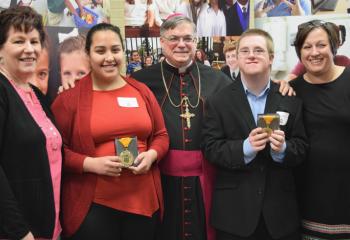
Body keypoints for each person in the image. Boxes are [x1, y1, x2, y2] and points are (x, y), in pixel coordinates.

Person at [51, 22, 169, 240]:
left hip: (142, 201)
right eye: (100, 51)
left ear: (123, 52)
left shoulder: (140, 91)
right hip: (94, 205)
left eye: (115, 50)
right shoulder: (68, 100)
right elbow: (55, 151)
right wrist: (89, 163)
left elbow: (161, 135)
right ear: (88, 54)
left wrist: (152, 155)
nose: (109, 57)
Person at [132, 15, 232, 240]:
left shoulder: (218, 80)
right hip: (160, 177)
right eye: (174, 38)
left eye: (188, 38)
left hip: (207, 178)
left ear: (196, 41)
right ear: (162, 41)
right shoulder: (140, 81)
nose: (181, 44)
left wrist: (283, 84)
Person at [201, 28, 308, 240]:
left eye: (259, 50)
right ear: (237, 57)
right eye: (245, 51)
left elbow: (302, 146)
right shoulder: (218, 102)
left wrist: (284, 149)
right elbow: (210, 148)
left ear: (271, 58)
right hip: (234, 215)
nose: (251, 55)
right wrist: (245, 147)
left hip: (280, 216)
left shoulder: (290, 98)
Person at [0, 6, 62, 240]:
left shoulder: (35, 92)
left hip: (48, 224)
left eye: (34, 41)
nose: (30, 50)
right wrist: (19, 232)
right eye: (19, 41)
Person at [290, 19, 350, 240]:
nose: (314, 52)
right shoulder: (291, 91)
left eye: (321, 45)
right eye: (307, 47)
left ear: (333, 47)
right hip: (307, 199)